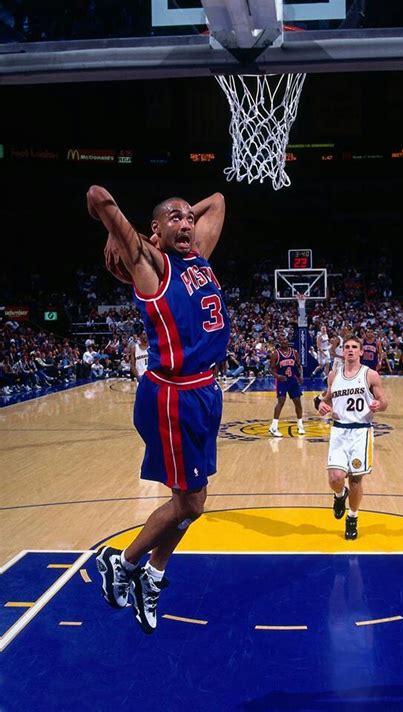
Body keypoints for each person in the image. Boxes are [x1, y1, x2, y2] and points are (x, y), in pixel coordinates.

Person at [87, 185, 230, 634]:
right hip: (172, 396)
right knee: (189, 501)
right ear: (155, 230)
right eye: (174, 218)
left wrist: (181, 211)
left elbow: (219, 200)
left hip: (205, 391)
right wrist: (118, 230)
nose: (187, 223)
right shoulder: (151, 266)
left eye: (189, 218)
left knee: (193, 502)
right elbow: (97, 195)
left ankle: (153, 574)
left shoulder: (199, 254)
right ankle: (124, 563)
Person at [316, 335, 388, 541]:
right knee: (335, 478)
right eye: (346, 347)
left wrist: (379, 405)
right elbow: (326, 398)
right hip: (339, 430)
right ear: (342, 351)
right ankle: (340, 495)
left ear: (360, 352)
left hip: (361, 432)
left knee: (355, 480)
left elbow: (383, 400)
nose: (349, 350)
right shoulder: (333, 375)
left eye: (354, 347)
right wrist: (321, 404)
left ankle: (353, 517)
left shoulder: (370, 375)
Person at [269, 332, 305, 437]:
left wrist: (300, 376)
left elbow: (299, 366)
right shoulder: (275, 354)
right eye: (281, 340)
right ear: (279, 342)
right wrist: (277, 376)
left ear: (288, 341)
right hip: (282, 381)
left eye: (285, 340)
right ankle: (274, 426)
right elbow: (271, 369)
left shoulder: (294, 352)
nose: (284, 341)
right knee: (281, 402)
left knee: (298, 402)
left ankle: (300, 425)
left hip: (292, 380)